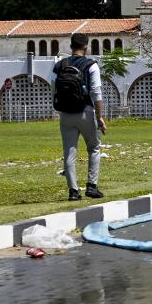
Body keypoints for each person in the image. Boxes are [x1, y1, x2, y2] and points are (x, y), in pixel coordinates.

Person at [53, 34, 107, 201]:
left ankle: (73, 191)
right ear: (86, 47)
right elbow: (96, 92)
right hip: (86, 111)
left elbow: (53, 88)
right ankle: (91, 186)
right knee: (94, 148)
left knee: (69, 152)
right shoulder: (91, 65)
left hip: (66, 114)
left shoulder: (59, 65)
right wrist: (100, 117)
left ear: (71, 46)